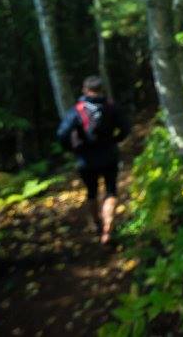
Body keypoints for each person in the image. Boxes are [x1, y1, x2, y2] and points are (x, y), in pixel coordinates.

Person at [56, 76, 129, 245]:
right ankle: (108, 229)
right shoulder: (111, 107)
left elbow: (62, 134)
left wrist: (72, 148)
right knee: (111, 191)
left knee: (92, 192)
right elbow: (126, 128)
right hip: (109, 155)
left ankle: (96, 224)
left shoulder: (77, 110)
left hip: (86, 159)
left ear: (85, 90)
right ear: (102, 89)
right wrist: (115, 140)